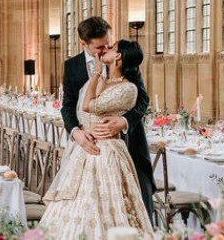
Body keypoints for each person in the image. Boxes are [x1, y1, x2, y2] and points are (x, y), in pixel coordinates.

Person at [39, 38, 153, 237]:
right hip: (86, 147)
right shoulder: (75, 67)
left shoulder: (128, 85)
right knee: (79, 204)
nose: (104, 49)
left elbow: (141, 100)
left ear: (118, 56)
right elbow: (69, 106)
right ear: (84, 44)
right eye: (100, 47)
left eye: (109, 46)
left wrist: (124, 121)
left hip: (110, 150)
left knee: (119, 203)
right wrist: (78, 130)